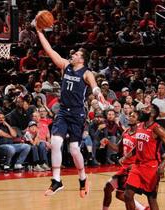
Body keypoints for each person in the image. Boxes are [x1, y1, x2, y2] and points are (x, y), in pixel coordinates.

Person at [36, 22, 107, 197]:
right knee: (55, 143)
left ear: (81, 59)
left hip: (77, 113)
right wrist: (39, 32)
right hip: (63, 112)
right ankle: (57, 181)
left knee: (74, 150)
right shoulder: (65, 65)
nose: (73, 55)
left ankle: (83, 178)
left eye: (76, 54)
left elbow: (94, 86)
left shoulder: (86, 72)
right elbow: (49, 50)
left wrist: (98, 94)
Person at [124, 104, 165, 210]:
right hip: (138, 166)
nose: (143, 110)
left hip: (151, 167)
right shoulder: (140, 125)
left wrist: (162, 165)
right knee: (127, 195)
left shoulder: (157, 129)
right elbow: (139, 144)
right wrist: (127, 156)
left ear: (152, 114)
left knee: (151, 198)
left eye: (146, 109)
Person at [101, 112, 148, 210]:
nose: (130, 117)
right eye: (130, 116)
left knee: (126, 195)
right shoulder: (125, 132)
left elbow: (142, 152)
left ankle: (143, 209)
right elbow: (118, 148)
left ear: (138, 121)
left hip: (132, 168)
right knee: (109, 189)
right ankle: (143, 209)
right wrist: (108, 142)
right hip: (124, 167)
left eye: (133, 116)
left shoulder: (140, 134)